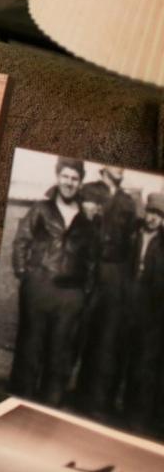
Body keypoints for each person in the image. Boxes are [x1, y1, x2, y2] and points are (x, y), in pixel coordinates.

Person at [9, 157, 97, 408]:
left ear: (80, 182)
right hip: (39, 287)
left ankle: (48, 407)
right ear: (58, 177)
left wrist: (83, 293)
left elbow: (92, 260)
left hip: (70, 296)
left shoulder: (86, 221)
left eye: (75, 178)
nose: (69, 182)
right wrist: (24, 274)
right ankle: (17, 403)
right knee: (30, 349)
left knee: (60, 354)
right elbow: (21, 240)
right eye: (65, 176)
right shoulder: (42, 209)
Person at [74, 170, 139, 420]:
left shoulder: (128, 201)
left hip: (114, 274)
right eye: (115, 166)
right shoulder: (88, 190)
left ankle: (94, 399)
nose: (120, 170)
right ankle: (59, 390)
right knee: (78, 331)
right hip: (86, 268)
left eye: (123, 168)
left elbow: (132, 240)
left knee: (106, 336)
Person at [121, 193, 164, 437]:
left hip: (152, 313)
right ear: (145, 212)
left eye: (159, 215)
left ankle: (138, 417)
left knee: (144, 365)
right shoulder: (133, 234)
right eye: (151, 212)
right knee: (121, 357)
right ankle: (119, 408)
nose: (153, 218)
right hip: (127, 305)